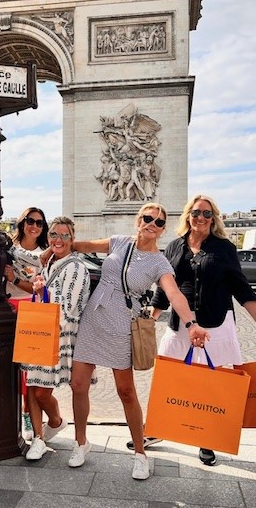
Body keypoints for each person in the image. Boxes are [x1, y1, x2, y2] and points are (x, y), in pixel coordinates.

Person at [69, 203, 210, 480]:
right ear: (138, 220)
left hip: (123, 323)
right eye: (147, 218)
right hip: (94, 317)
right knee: (77, 385)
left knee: (126, 391)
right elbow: (81, 246)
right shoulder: (119, 241)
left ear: (163, 230)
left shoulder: (159, 262)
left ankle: (140, 454)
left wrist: (191, 324)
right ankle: (80, 442)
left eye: (158, 222)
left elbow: (174, 294)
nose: (151, 224)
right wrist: (55, 245)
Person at [143, 194, 256, 466]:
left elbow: (241, 288)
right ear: (188, 216)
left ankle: (207, 439)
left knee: (211, 383)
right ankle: (157, 428)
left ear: (214, 218)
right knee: (168, 376)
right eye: (196, 213)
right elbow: (164, 288)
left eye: (207, 214)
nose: (201, 218)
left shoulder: (224, 248)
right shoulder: (173, 247)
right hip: (180, 323)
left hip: (216, 322)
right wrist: (149, 319)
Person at [23, 217, 91, 461]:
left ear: (72, 239)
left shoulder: (77, 267)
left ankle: (61, 426)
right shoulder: (49, 262)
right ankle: (38, 439)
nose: (58, 240)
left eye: (64, 235)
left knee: (42, 392)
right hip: (42, 330)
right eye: (54, 235)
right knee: (31, 387)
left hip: (60, 336)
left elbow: (68, 308)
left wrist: (43, 292)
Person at [3, 207, 49, 440]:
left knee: (29, 369)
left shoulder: (46, 254)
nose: (34, 226)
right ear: (21, 223)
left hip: (31, 312)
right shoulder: (7, 249)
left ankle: (27, 415)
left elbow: (38, 289)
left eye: (39, 223)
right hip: (7, 310)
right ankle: (13, 414)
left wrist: (14, 279)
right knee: (10, 366)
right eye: (30, 221)